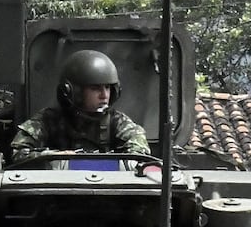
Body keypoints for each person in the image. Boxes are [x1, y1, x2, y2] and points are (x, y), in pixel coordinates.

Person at [10, 49, 150, 160]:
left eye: (107, 87)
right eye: (95, 88)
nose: (104, 95)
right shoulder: (49, 119)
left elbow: (139, 153)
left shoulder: (117, 122)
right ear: (73, 92)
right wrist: (54, 157)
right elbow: (19, 152)